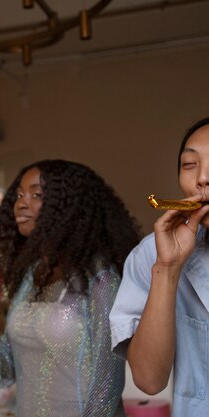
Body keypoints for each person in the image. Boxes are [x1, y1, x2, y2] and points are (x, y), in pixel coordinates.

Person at [0, 159, 141, 417]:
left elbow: (107, 389)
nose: (21, 204)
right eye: (19, 195)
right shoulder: (30, 275)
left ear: (70, 207)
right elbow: (8, 365)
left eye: (37, 195)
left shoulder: (101, 280)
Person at [110, 118, 209, 417]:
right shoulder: (152, 254)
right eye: (190, 164)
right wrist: (168, 267)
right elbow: (149, 380)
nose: (203, 178)